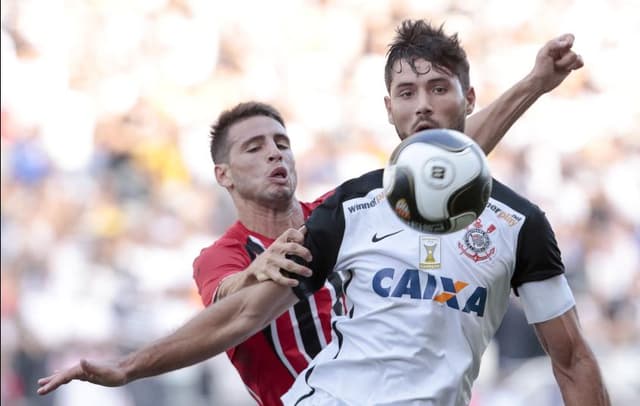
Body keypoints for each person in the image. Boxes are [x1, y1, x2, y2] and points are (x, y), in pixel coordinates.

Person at [37, 20, 608, 406]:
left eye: (438, 88)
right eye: (407, 93)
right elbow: (236, 312)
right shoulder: (345, 212)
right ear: (388, 110)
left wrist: (535, 83)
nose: (424, 105)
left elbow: (573, 357)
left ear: (468, 97)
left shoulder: (516, 224)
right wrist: (127, 367)